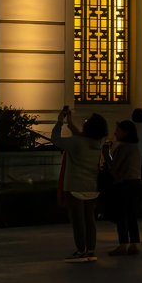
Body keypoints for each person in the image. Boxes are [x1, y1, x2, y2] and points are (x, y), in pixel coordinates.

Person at [51, 108, 107, 261]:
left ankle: (80, 250)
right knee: (90, 219)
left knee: (78, 220)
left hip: (75, 186)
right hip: (92, 186)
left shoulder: (76, 142)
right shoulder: (98, 143)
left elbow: (56, 139)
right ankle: (90, 250)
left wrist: (59, 122)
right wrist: (70, 123)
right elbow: (81, 138)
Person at [104, 119, 142, 255]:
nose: (115, 133)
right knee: (131, 214)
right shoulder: (134, 147)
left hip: (124, 183)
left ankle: (123, 244)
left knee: (121, 214)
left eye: (118, 130)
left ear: (126, 132)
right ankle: (134, 244)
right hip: (135, 182)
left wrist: (105, 154)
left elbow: (114, 168)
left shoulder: (123, 147)